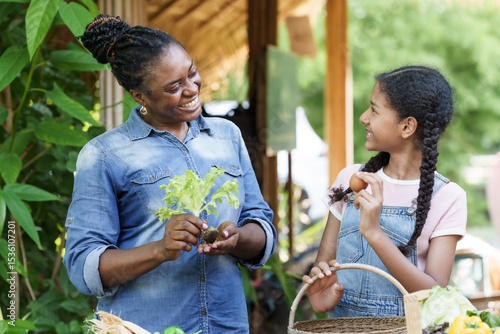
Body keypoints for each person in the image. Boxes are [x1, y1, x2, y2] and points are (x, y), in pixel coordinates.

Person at [62, 15, 276, 334]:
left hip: (225, 324)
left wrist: (239, 238)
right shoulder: (105, 154)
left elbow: (261, 226)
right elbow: (84, 269)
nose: (191, 89)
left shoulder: (227, 136)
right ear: (140, 96)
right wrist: (160, 250)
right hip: (145, 326)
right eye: (174, 87)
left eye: (191, 73)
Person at [303, 65, 467, 317]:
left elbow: (435, 293)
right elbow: (323, 269)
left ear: (407, 127)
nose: (363, 117)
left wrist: (375, 234)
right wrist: (320, 295)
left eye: (374, 110)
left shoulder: (448, 197)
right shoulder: (351, 179)